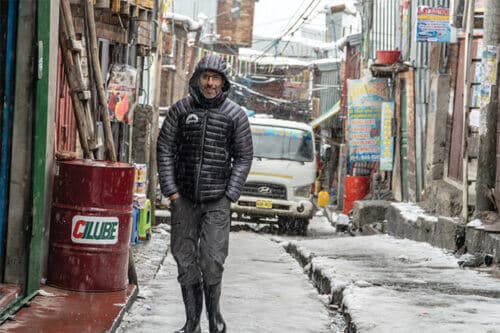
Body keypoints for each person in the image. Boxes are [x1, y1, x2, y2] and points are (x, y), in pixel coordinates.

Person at [157, 54, 253, 333]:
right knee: (184, 259)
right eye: (205, 77)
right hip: (184, 198)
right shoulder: (180, 110)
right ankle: (191, 324)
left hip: (217, 201)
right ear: (197, 79)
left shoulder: (235, 115)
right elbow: (164, 148)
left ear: (223, 82)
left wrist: (230, 194)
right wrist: (171, 191)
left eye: (215, 78)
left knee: (211, 261)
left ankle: (215, 320)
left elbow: (244, 157)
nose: (210, 83)